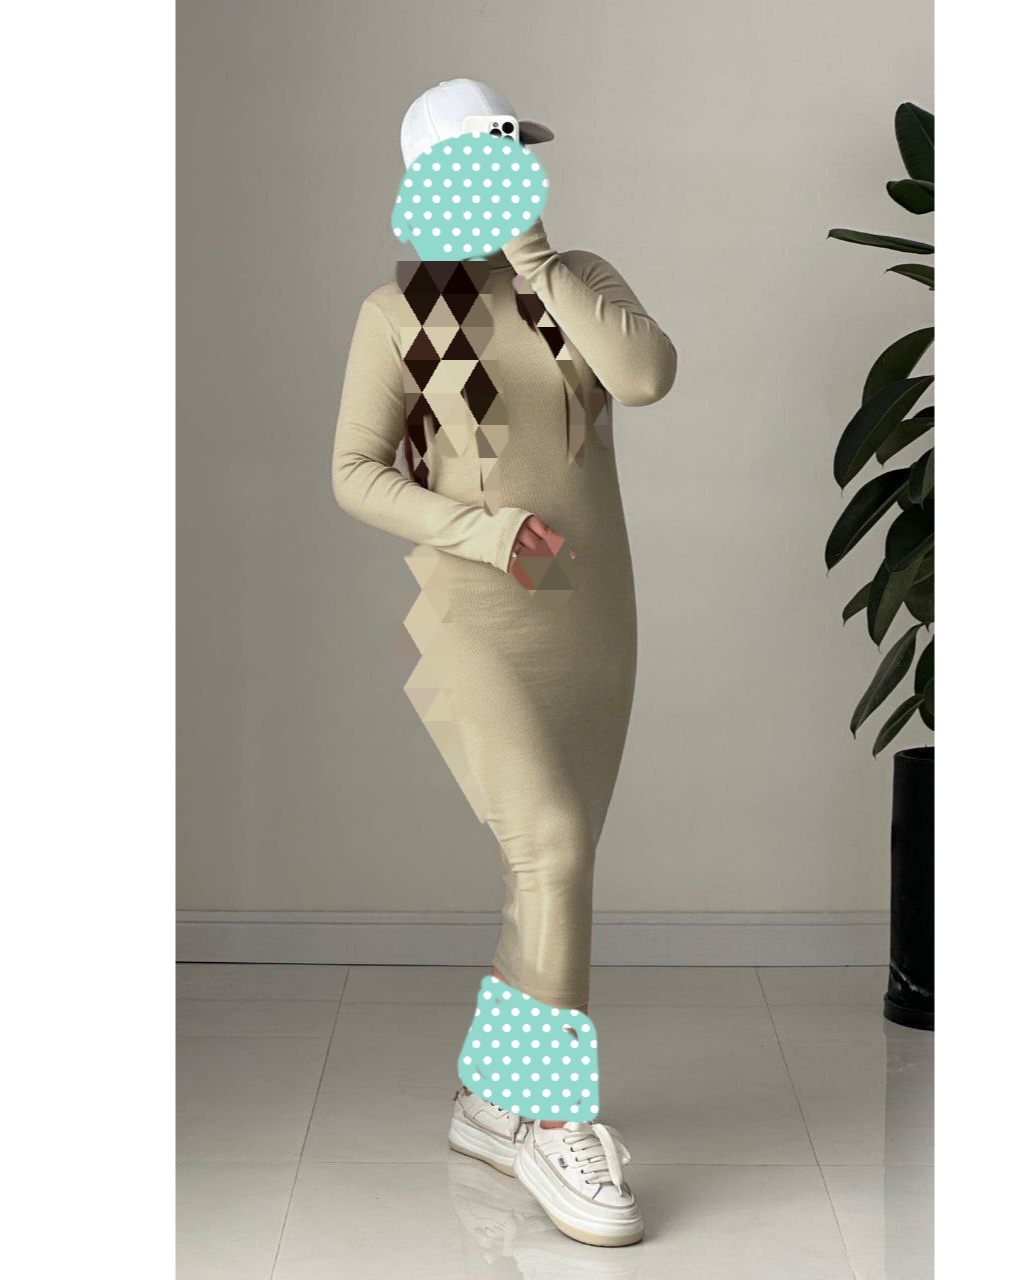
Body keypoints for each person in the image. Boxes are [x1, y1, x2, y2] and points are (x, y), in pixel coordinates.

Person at [331, 78, 676, 1247]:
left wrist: (537, 261)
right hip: (464, 621)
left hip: (593, 620)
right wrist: (479, 531)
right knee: (553, 847)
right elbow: (353, 471)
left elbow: (645, 375)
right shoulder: (397, 313)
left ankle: (492, 1100)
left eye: (512, 153)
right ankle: (554, 1123)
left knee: (544, 872)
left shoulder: (578, 278)